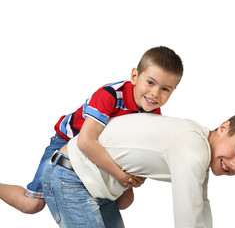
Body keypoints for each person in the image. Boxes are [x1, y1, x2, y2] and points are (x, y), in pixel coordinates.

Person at [0, 46, 184, 215]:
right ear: (135, 76)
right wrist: (120, 175)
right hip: (69, 141)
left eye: (165, 89)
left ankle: (84, 195)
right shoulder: (111, 95)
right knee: (32, 204)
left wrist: (137, 176)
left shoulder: (153, 113)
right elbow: (85, 142)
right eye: (150, 82)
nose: (155, 94)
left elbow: (141, 150)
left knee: (125, 199)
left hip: (104, 150)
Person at [43, 110, 235, 228]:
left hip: (96, 188)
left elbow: (200, 206)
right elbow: (188, 215)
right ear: (225, 127)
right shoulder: (193, 146)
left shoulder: (198, 145)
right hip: (71, 178)